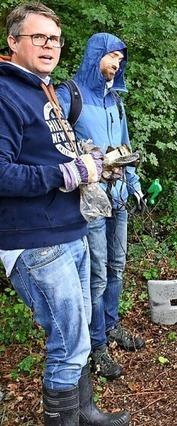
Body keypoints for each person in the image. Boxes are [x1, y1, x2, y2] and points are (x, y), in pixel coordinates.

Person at [0, 3, 129, 424]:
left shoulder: (44, 89)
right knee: (68, 342)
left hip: (69, 226)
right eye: (38, 37)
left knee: (80, 333)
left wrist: (87, 158)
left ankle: (86, 412)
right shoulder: (5, 92)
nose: (49, 46)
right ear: (13, 41)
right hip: (35, 238)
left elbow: (48, 149)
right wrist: (68, 172)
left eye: (54, 39)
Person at [57, 32, 145, 381]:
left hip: (119, 195)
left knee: (117, 267)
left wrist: (134, 185)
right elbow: (54, 141)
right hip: (89, 198)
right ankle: (96, 345)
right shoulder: (69, 95)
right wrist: (85, 159)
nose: (116, 64)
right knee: (95, 275)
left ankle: (110, 326)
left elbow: (125, 146)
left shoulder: (114, 102)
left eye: (121, 60)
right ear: (96, 55)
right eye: (112, 57)